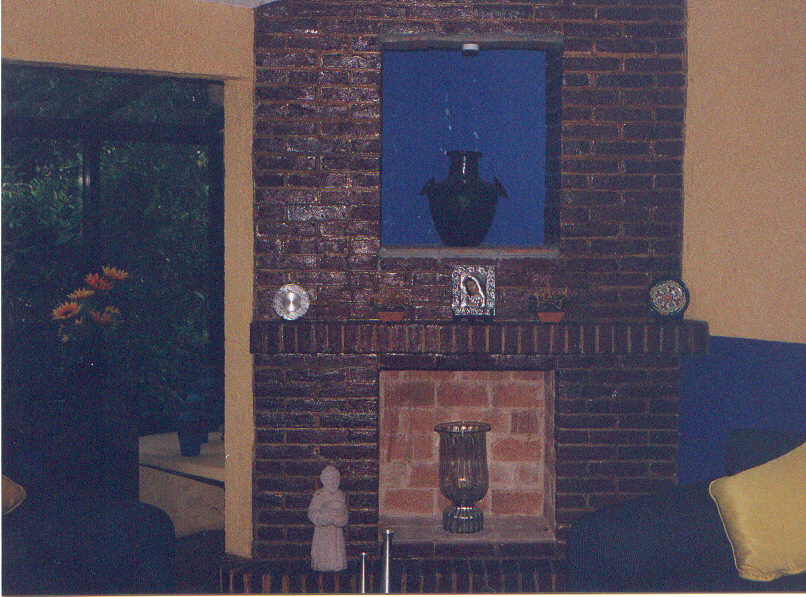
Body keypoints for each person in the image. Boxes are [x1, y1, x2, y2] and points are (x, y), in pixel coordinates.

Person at [307, 465, 348, 571]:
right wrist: (319, 519)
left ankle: (337, 564)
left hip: (336, 532)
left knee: (336, 551)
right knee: (322, 553)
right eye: (330, 479)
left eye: (335, 479)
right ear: (323, 480)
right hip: (322, 532)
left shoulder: (340, 494)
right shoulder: (319, 495)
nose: (333, 482)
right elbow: (311, 512)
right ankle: (321, 564)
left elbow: (345, 513)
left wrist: (341, 520)